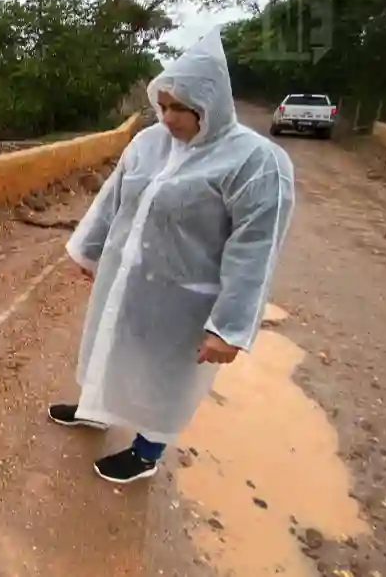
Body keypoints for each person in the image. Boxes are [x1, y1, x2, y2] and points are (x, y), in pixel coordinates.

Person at [47, 27, 296, 484]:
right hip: (127, 280)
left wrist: (230, 327)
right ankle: (96, 409)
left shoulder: (256, 162)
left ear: (212, 105)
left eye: (180, 108)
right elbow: (114, 199)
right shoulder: (148, 143)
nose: (168, 118)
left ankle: (146, 452)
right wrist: (90, 250)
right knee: (112, 344)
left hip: (186, 297)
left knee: (164, 375)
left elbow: (256, 249)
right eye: (162, 106)